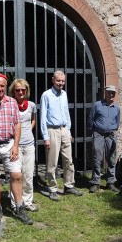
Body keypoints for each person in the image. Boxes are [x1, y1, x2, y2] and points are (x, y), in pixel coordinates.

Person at [0, 74, 34, 226]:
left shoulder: (12, 102)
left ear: (6, 87)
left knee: (17, 175)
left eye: (2, 86)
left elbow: (17, 124)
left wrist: (16, 146)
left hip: (8, 144)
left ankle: (19, 207)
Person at [39, 70, 84, 201]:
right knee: (52, 161)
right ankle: (53, 188)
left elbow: (66, 113)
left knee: (68, 160)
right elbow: (42, 117)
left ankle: (69, 185)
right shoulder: (46, 95)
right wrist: (45, 136)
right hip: (52, 130)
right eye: (58, 80)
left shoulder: (64, 94)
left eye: (63, 81)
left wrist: (68, 131)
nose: (61, 83)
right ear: (53, 80)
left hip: (64, 129)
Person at [8, 78, 39, 212]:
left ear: (26, 91)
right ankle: (15, 202)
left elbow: (33, 120)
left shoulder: (31, 105)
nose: (20, 92)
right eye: (17, 90)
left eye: (23, 90)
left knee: (28, 174)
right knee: (16, 175)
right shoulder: (10, 104)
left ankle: (27, 201)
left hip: (29, 144)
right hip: (15, 145)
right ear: (13, 91)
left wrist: (28, 131)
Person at [88, 85, 121, 193]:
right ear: (105, 93)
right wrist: (94, 131)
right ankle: (96, 183)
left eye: (113, 93)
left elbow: (117, 122)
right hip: (98, 134)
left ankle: (111, 182)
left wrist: (113, 130)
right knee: (97, 158)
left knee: (111, 158)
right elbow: (91, 119)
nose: (111, 95)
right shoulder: (97, 105)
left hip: (111, 135)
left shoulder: (116, 108)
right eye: (109, 93)